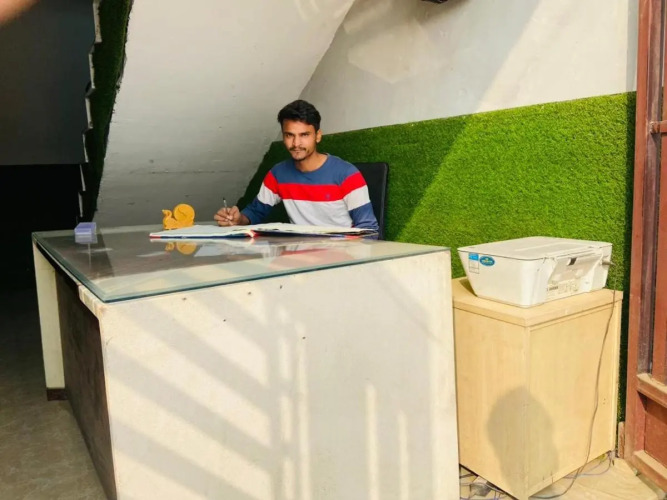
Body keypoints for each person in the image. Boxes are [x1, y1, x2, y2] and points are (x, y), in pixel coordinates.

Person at [214, 100, 379, 233]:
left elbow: (369, 230)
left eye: (304, 135)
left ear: (318, 136)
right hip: (298, 255)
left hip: (339, 256)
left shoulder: (347, 174)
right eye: (289, 135)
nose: (296, 143)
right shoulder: (278, 174)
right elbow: (256, 212)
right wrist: (238, 219)